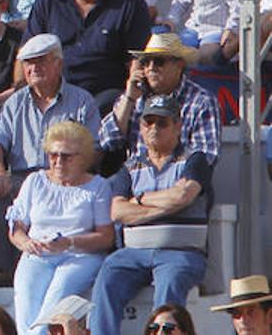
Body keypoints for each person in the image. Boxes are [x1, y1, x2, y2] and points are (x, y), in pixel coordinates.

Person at [87, 94, 213, 335]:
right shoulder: (130, 166)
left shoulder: (195, 159)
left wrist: (140, 200)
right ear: (141, 127)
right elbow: (117, 211)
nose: (154, 128)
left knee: (169, 288)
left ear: (177, 126)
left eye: (162, 122)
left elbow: (183, 196)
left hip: (181, 253)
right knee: (107, 276)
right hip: (133, 254)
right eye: (148, 122)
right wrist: (165, 204)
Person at [0, 34, 102, 277]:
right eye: (28, 62)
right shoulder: (15, 103)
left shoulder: (82, 101)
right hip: (21, 178)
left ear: (58, 64)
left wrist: (67, 175)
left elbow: (95, 149)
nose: (33, 68)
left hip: (66, 177)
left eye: (40, 61)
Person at [6, 121, 115, 332]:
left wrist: (69, 243)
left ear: (83, 158)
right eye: (53, 155)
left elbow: (105, 237)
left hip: (79, 256)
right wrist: (26, 242)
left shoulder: (98, 186)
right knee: (26, 300)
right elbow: (16, 227)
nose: (58, 161)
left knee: (55, 299)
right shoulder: (35, 181)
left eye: (66, 156)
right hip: (37, 254)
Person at [100, 32, 222, 164]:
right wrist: (129, 98)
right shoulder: (134, 97)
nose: (151, 68)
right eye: (145, 62)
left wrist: (167, 173)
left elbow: (206, 156)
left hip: (181, 178)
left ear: (179, 65)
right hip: (137, 178)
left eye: (159, 61)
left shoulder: (202, 101)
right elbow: (107, 141)